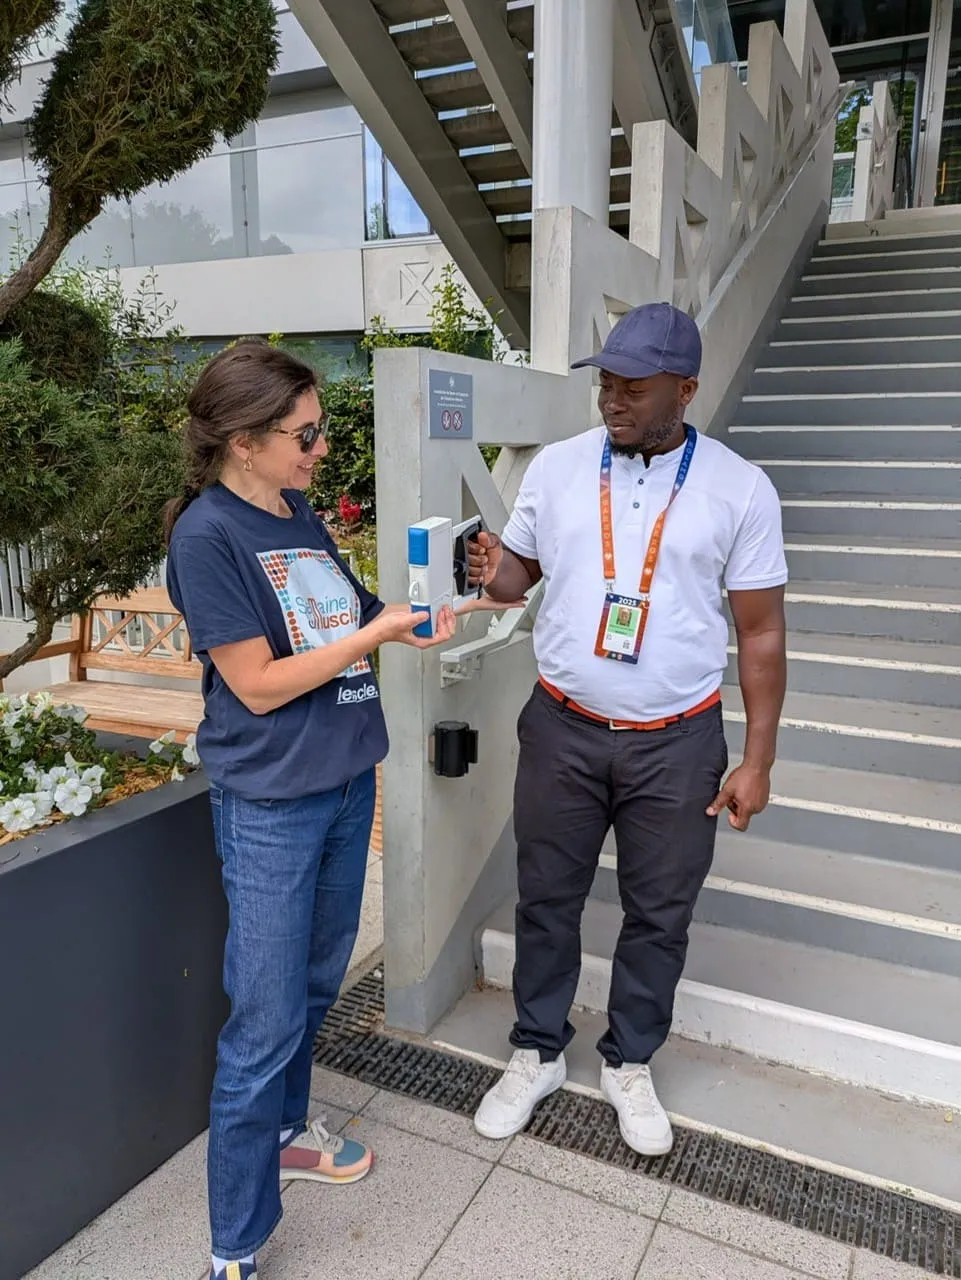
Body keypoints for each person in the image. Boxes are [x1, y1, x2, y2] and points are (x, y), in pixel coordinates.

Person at [162, 339, 460, 1280]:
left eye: (319, 428)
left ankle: (289, 1131)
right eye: (305, 434)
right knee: (262, 1021)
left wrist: (413, 619)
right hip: (271, 801)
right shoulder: (206, 536)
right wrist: (373, 635)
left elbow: (350, 619)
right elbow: (255, 684)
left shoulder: (294, 514)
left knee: (314, 986)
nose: (322, 447)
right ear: (243, 441)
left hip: (343, 779)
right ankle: (236, 1244)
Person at [468, 302, 787, 1156]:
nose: (612, 399)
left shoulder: (739, 488)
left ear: (685, 389)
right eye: (605, 382)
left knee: (659, 911)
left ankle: (629, 1060)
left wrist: (757, 759)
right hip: (562, 729)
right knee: (546, 898)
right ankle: (537, 1050)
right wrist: (492, 567)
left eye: (633, 387)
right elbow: (517, 579)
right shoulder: (558, 468)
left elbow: (760, 632)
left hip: (677, 743)